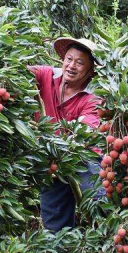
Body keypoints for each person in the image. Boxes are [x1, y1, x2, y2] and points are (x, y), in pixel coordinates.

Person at [27, 37, 105, 232]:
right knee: (54, 219)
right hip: (52, 159)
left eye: (79, 63)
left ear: (91, 70)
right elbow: (18, 73)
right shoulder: (46, 75)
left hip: (84, 156)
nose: (71, 66)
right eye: (69, 59)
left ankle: (106, 240)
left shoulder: (94, 97)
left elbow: (82, 132)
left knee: (100, 205)